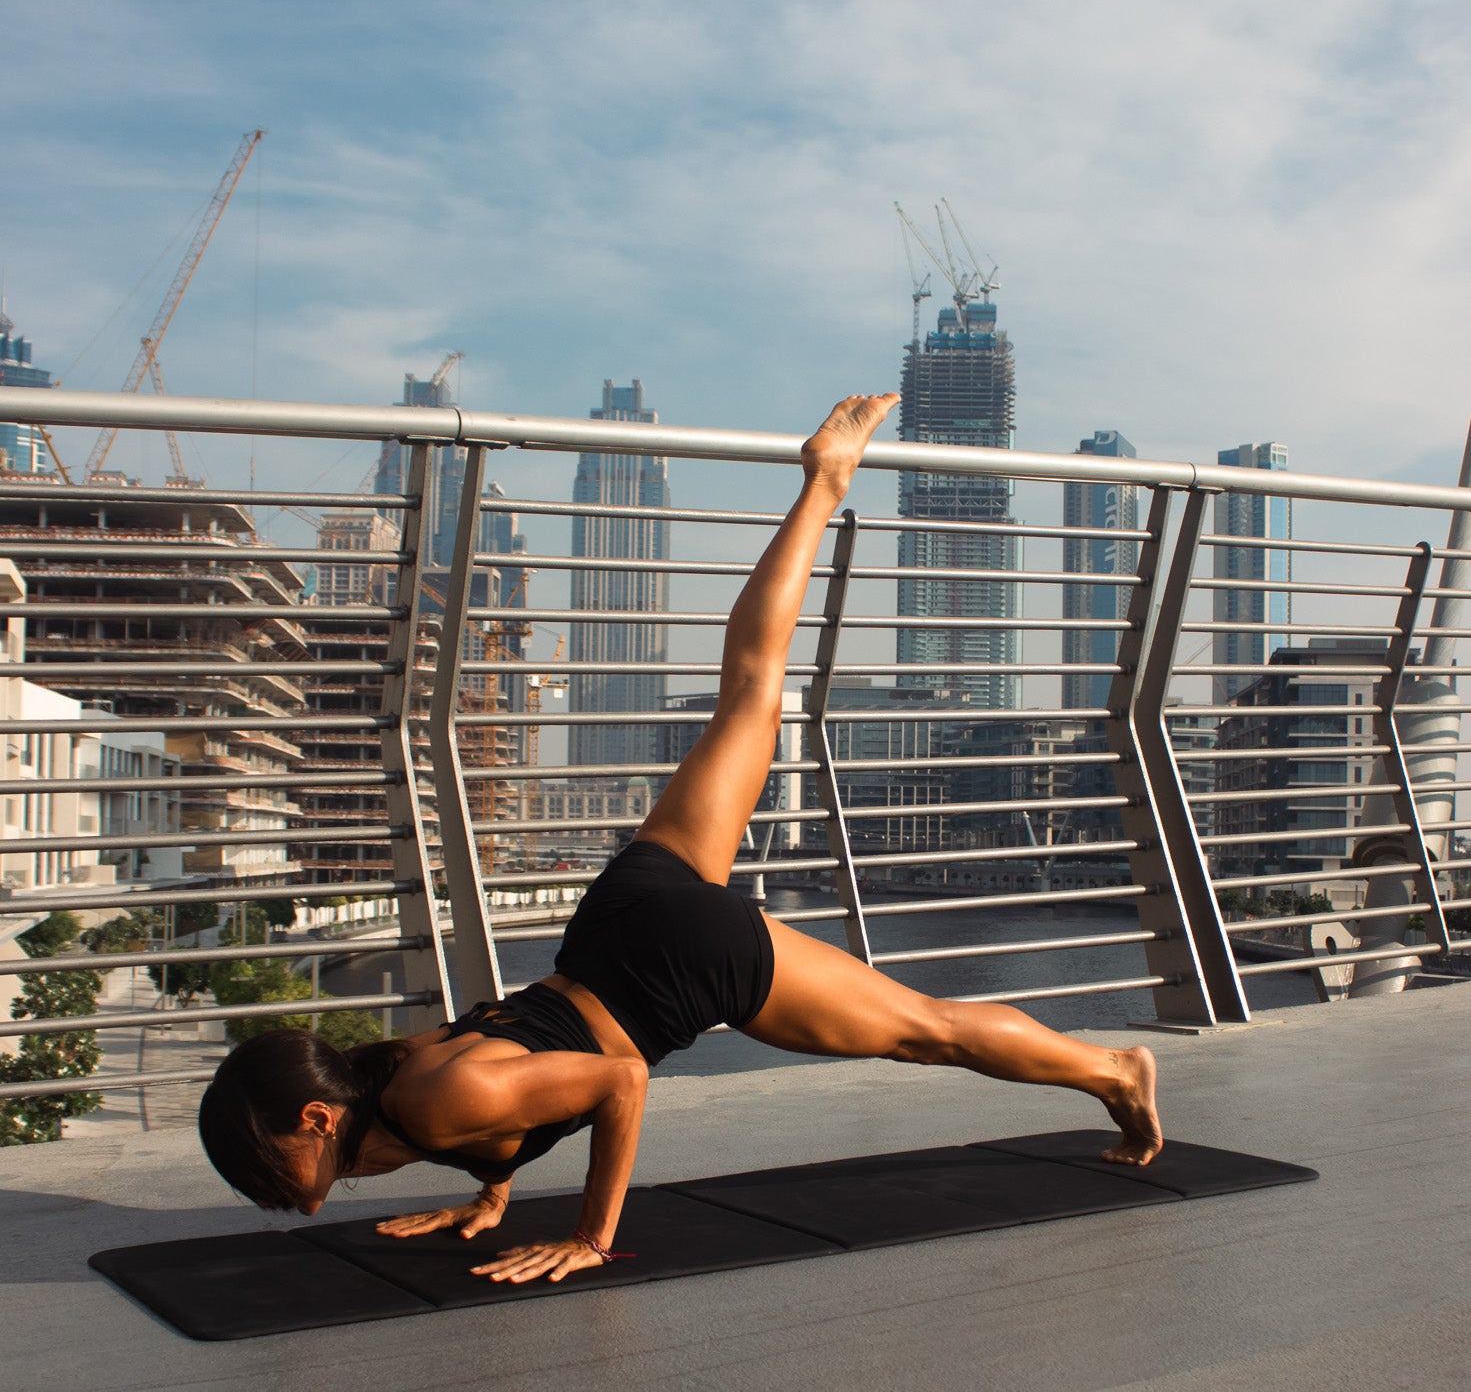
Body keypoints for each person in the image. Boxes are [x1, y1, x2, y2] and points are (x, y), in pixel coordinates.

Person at [199, 394, 1160, 1284]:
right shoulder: (385, 1073)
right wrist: (488, 1192)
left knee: (928, 1031)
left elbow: (614, 1080)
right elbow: (509, 1089)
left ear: (318, 1118)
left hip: (672, 971)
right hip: (621, 919)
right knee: (750, 685)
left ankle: (1115, 1069)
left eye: (263, 1164)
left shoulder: (423, 1104)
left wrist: (587, 1236)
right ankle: (825, 480)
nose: (261, 1190)